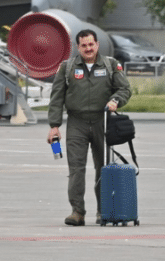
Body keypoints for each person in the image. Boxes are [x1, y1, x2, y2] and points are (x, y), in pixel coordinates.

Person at [46, 29, 131, 226]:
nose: (88, 48)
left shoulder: (110, 65)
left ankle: (104, 211)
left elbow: (124, 88)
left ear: (97, 45)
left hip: (103, 122)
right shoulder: (67, 68)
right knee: (76, 169)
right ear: (78, 47)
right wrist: (54, 126)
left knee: (103, 168)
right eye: (84, 45)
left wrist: (116, 101)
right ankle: (77, 211)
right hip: (77, 123)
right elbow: (56, 98)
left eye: (91, 44)